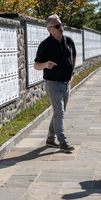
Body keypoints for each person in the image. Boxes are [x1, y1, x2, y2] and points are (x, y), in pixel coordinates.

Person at [34, 14, 77, 153]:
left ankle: (50, 139)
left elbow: (74, 56)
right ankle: (63, 142)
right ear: (49, 29)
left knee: (60, 111)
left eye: (61, 25)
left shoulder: (69, 41)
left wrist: (71, 73)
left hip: (66, 83)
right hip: (53, 84)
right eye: (57, 26)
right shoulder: (45, 45)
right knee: (59, 112)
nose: (61, 28)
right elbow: (36, 65)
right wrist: (46, 64)